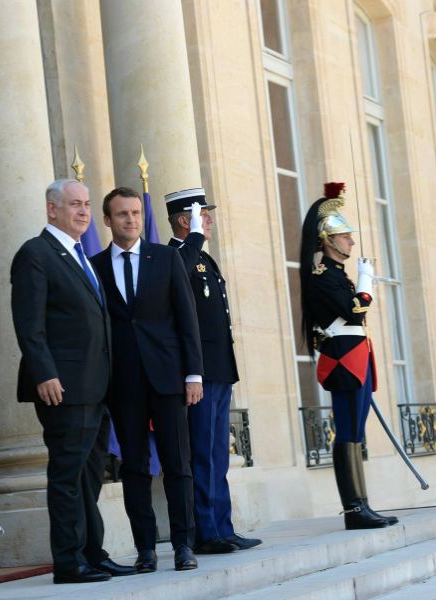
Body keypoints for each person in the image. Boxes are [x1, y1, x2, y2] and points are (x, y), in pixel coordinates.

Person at [11, 178, 135, 584]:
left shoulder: (80, 255)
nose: (83, 211)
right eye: (74, 204)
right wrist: (44, 372)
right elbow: (29, 325)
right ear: (52, 209)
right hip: (63, 386)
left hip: (95, 387)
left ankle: (93, 553)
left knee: (88, 476)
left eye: (85, 204)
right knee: (67, 475)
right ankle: (68, 561)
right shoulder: (36, 254)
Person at [90, 187, 203, 572]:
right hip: (122, 383)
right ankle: (146, 549)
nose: (131, 220)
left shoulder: (167, 258)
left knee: (178, 464)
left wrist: (193, 374)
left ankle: (184, 545)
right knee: (135, 468)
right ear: (107, 220)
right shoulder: (95, 266)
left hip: (169, 376)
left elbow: (187, 319)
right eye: (122, 214)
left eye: (136, 213)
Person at [166, 187, 262, 554]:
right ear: (183, 220)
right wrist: (193, 237)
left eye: (206, 215)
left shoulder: (204, 259)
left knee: (219, 454)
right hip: (199, 373)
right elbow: (178, 278)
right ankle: (205, 531)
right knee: (203, 453)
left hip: (220, 369)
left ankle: (223, 525)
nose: (209, 220)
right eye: (202, 215)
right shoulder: (176, 255)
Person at [299, 182, 396, 530]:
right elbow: (355, 311)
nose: (351, 241)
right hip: (343, 359)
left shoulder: (337, 275)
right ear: (328, 240)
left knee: (356, 430)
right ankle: (353, 509)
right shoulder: (322, 276)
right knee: (347, 431)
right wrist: (367, 277)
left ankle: (363, 503)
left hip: (356, 356)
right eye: (345, 237)